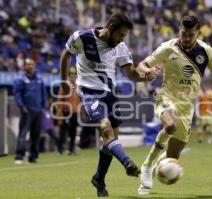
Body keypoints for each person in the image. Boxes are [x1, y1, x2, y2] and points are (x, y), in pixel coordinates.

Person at [136, 15, 212, 195]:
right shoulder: (168, 48)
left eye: (190, 35)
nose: (186, 38)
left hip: (187, 107)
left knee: (172, 157)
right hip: (167, 97)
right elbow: (142, 65)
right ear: (179, 30)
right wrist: (148, 72)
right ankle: (146, 166)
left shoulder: (205, 51)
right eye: (183, 34)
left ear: (198, 33)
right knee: (170, 125)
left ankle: (154, 170)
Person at [59, 12, 159, 197]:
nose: (122, 39)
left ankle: (99, 178)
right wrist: (64, 81)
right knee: (106, 130)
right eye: (121, 34)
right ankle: (128, 163)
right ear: (110, 28)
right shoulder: (82, 37)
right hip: (89, 93)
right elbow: (66, 54)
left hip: (110, 95)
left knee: (110, 142)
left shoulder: (120, 47)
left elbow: (131, 74)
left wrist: (147, 75)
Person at [14, 58, 47, 164]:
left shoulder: (40, 79)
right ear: (24, 66)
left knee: (36, 135)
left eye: (31, 64)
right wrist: (21, 106)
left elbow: (43, 94)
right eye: (27, 64)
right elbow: (17, 94)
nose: (30, 66)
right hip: (26, 111)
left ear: (34, 66)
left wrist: (43, 106)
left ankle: (33, 156)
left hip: (38, 110)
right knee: (23, 134)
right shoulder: (20, 79)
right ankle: (19, 156)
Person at [57, 67, 80, 155]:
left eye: (74, 75)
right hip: (66, 112)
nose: (73, 77)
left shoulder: (77, 87)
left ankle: (71, 149)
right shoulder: (64, 86)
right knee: (63, 131)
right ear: (68, 76)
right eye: (71, 75)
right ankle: (60, 149)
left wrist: (79, 111)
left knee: (73, 132)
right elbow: (60, 100)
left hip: (75, 112)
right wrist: (60, 114)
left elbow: (79, 100)